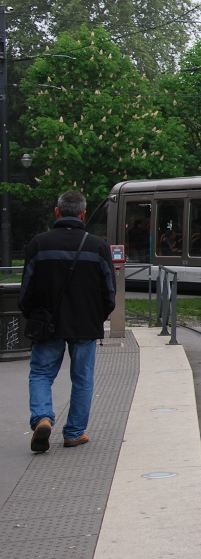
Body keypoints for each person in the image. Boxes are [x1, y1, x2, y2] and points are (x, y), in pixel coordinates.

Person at [20, 191, 116, 452]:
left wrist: (32, 314)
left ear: (57, 212)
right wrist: (99, 316)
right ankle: (74, 433)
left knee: (41, 373)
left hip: (47, 323)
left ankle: (42, 418)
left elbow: (26, 289)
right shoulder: (97, 246)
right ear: (83, 214)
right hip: (85, 324)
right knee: (83, 378)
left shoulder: (38, 244)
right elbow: (109, 292)